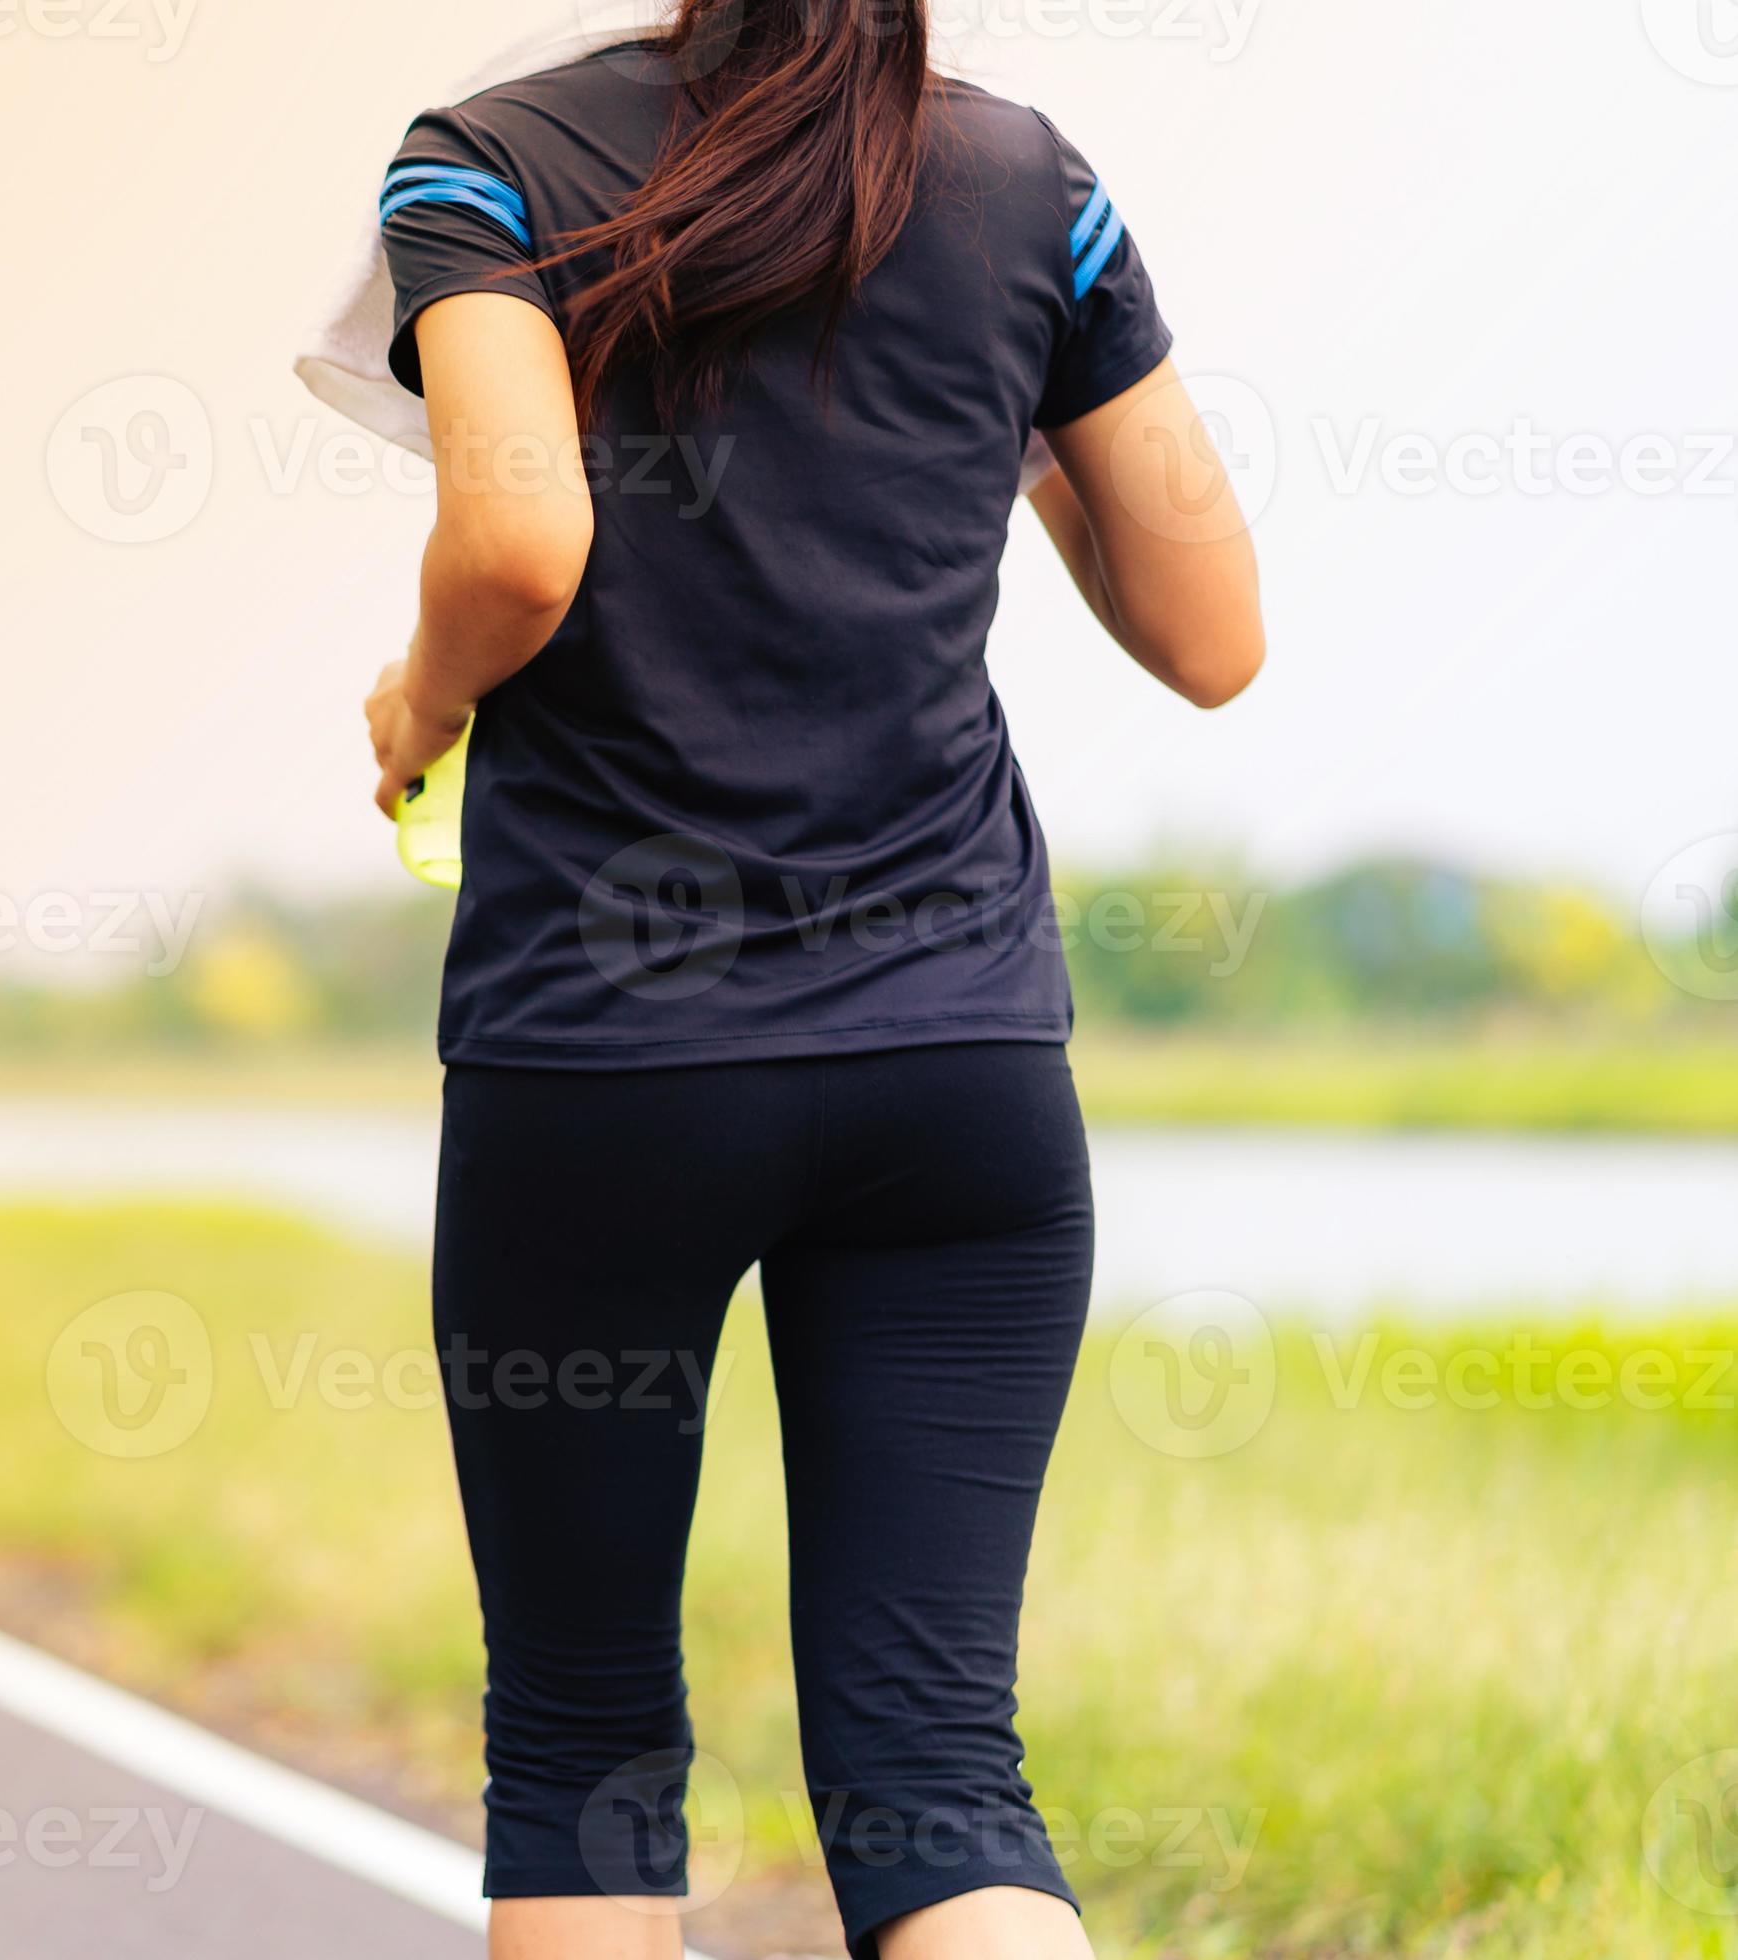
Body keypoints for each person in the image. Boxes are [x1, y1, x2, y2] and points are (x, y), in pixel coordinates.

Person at [359, 7, 1265, 1958]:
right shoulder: (1036, 184)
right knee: (935, 1766)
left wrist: (413, 702)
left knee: (584, 1745)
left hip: (607, 1060)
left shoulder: (492, 158)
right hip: (956, 1063)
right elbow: (1213, 633)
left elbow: (517, 544)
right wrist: (1003, 392)